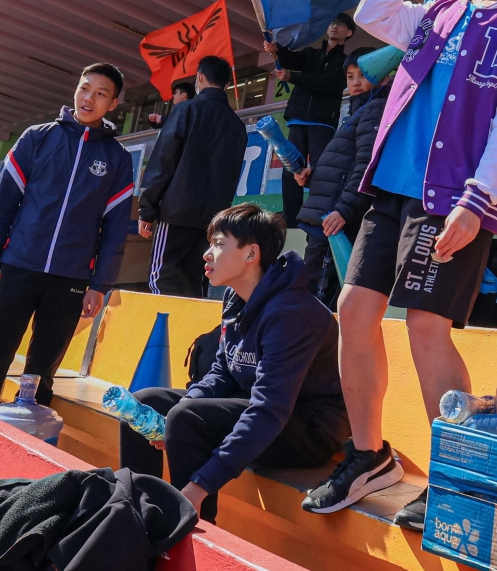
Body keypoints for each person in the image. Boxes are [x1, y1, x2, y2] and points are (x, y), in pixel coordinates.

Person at [301, 0, 497, 527]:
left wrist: (480, 200)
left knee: (425, 326)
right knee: (353, 310)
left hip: (454, 197)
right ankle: (369, 455)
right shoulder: (440, 11)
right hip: (392, 189)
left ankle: (460, 480)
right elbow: (373, 14)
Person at [119, 205, 348, 523]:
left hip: (308, 430)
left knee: (187, 419)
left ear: (251, 253)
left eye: (218, 244)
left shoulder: (291, 314)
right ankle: (136, 517)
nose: (206, 254)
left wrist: (199, 486)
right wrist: (174, 411)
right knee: (144, 405)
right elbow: (222, 372)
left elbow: (270, 409)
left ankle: (190, 527)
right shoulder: (235, 298)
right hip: (258, 407)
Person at [0, 64, 135, 410]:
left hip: (71, 279)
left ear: (113, 104)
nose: (89, 98)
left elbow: (115, 229)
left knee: (41, 374)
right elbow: (1, 206)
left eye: (100, 94)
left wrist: (100, 285)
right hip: (19, 267)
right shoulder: (37, 138)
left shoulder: (117, 158)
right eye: (85, 88)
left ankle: (27, 436)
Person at [138, 55, 248, 298]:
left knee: (162, 277)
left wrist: (147, 208)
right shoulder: (237, 125)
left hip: (176, 211)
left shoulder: (186, 110)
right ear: (227, 84)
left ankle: (165, 322)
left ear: (199, 78)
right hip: (212, 217)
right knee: (195, 279)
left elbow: (163, 161)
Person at [296, 50, 389, 305]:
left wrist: (344, 210)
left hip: (334, 221)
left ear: (383, 77)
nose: (355, 82)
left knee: (317, 301)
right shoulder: (361, 110)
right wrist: (314, 176)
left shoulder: (375, 108)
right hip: (328, 219)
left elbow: (366, 166)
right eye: (350, 76)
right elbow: (347, 166)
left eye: (363, 75)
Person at [268, 13, 356, 227]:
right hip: (298, 119)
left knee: (320, 171)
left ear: (349, 33)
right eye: (333, 23)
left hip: (323, 121)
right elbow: (290, 59)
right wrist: (276, 49)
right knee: (291, 169)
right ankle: (291, 216)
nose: (335, 26)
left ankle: (318, 214)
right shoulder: (311, 53)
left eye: (341, 24)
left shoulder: (344, 62)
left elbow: (328, 83)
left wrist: (293, 77)